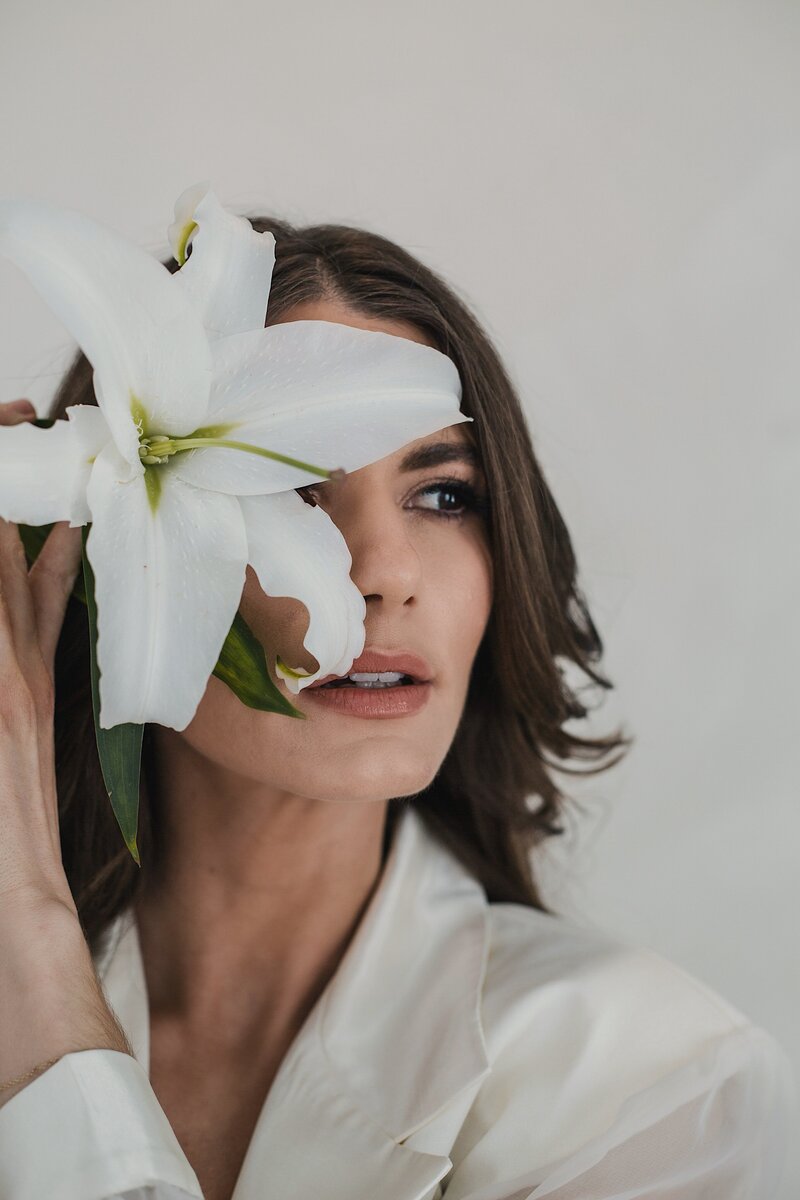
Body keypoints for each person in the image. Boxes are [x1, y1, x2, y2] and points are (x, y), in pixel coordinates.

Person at [0, 213, 794, 1200]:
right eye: (289, 486)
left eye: (445, 496)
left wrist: (37, 970)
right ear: (91, 561)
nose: (381, 574)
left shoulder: (651, 1084)